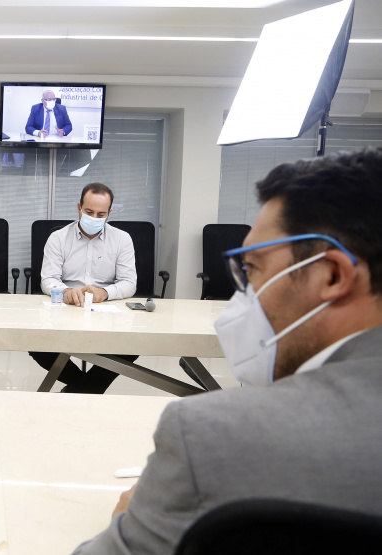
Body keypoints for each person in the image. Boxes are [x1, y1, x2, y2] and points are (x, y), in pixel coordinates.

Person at [73, 147, 382, 554]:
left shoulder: (210, 434)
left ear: (332, 275)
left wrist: (128, 520)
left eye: (252, 269)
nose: (243, 297)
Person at [31, 182, 137, 394]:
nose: (94, 218)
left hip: (107, 313)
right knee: (36, 343)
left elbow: (129, 282)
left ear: (109, 213)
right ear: (79, 207)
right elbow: (48, 279)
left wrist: (105, 293)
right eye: (89, 212)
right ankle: (87, 388)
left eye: (101, 214)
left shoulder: (122, 239)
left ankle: (78, 390)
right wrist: (65, 292)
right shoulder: (58, 238)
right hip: (65, 309)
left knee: (133, 344)